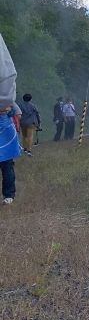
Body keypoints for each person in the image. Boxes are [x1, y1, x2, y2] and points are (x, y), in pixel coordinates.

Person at [0, 33, 21, 205]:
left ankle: (9, 194)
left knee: (6, 162)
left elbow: (7, 75)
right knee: (7, 163)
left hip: (2, 119)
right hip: (3, 116)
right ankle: (9, 195)